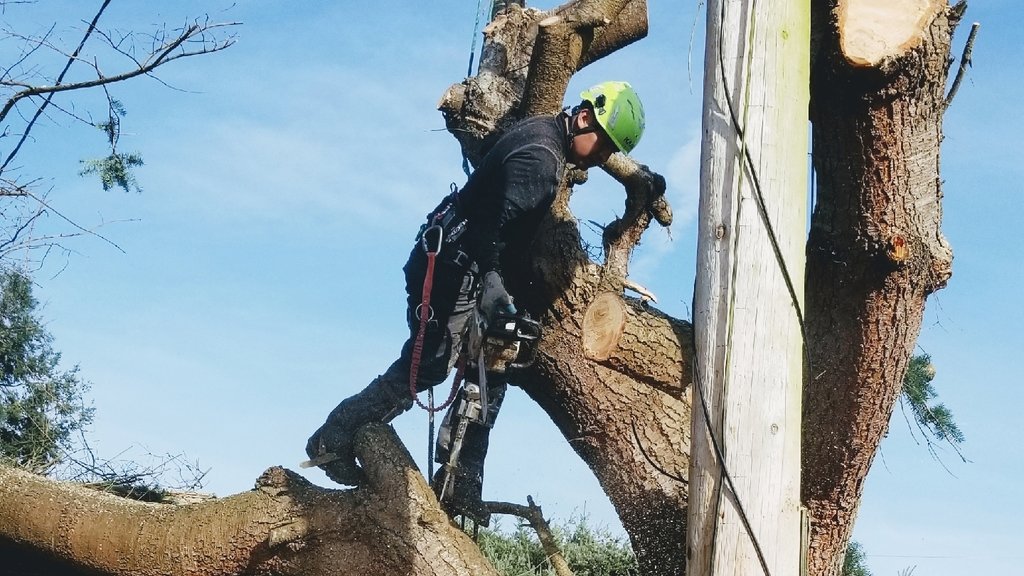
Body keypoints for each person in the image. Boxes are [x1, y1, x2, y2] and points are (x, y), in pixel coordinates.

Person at [305, 81, 645, 526]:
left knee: (494, 366)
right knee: (428, 365)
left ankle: (459, 485)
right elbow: (490, 224)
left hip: (458, 263)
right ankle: (334, 439)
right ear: (584, 118)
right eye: (603, 146)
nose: (602, 159)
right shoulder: (542, 159)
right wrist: (492, 284)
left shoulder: (543, 137)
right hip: (449, 266)